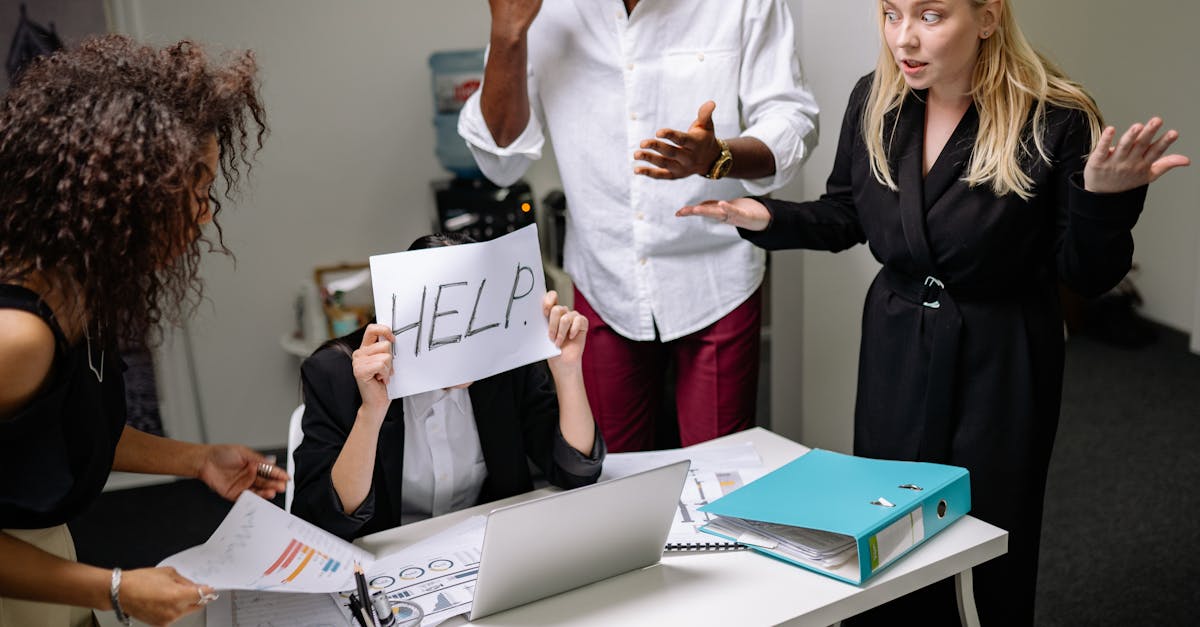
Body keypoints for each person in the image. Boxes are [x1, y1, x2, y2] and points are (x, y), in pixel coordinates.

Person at [678, 0, 1190, 624]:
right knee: (885, 523)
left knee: (992, 534)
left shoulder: (1056, 117)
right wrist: (767, 216)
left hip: (1002, 355)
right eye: (892, 14)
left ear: (988, 17)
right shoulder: (877, 100)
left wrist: (1105, 203)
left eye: (930, 16)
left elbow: (1086, 274)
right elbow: (846, 213)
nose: (904, 38)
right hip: (897, 343)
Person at [0, 36, 283, 627]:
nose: (207, 212)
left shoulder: (79, 289)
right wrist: (118, 588)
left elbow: (60, 429)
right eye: (197, 188)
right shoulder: (18, 335)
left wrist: (198, 459)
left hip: (48, 573)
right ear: (125, 195)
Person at [458, 0, 820, 452]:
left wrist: (718, 157)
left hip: (716, 277)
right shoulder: (546, 8)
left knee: (726, 476)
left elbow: (793, 118)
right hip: (604, 276)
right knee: (611, 473)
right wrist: (508, 34)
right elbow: (500, 162)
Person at [292, 233, 605, 541]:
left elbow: (577, 471)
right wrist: (371, 412)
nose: (465, 336)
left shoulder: (507, 361)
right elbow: (321, 522)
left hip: (487, 547)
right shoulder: (335, 373)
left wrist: (567, 372)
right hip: (383, 556)